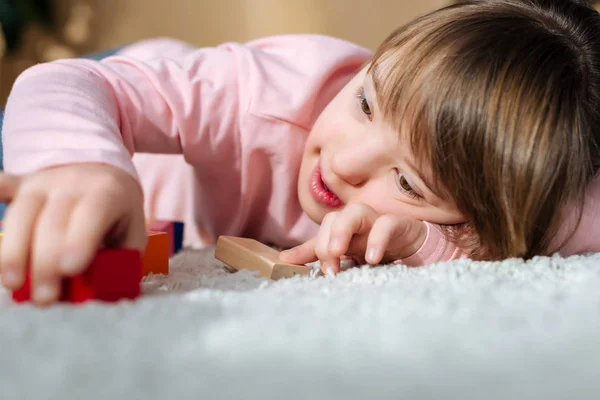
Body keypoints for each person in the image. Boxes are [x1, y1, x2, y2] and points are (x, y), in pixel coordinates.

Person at [2, 0, 600, 305]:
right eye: (366, 102)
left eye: (409, 183)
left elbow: (569, 222)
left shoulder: (508, 192)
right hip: (124, 101)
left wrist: (425, 242)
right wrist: (77, 160)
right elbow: (62, 82)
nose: (343, 162)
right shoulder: (264, 95)